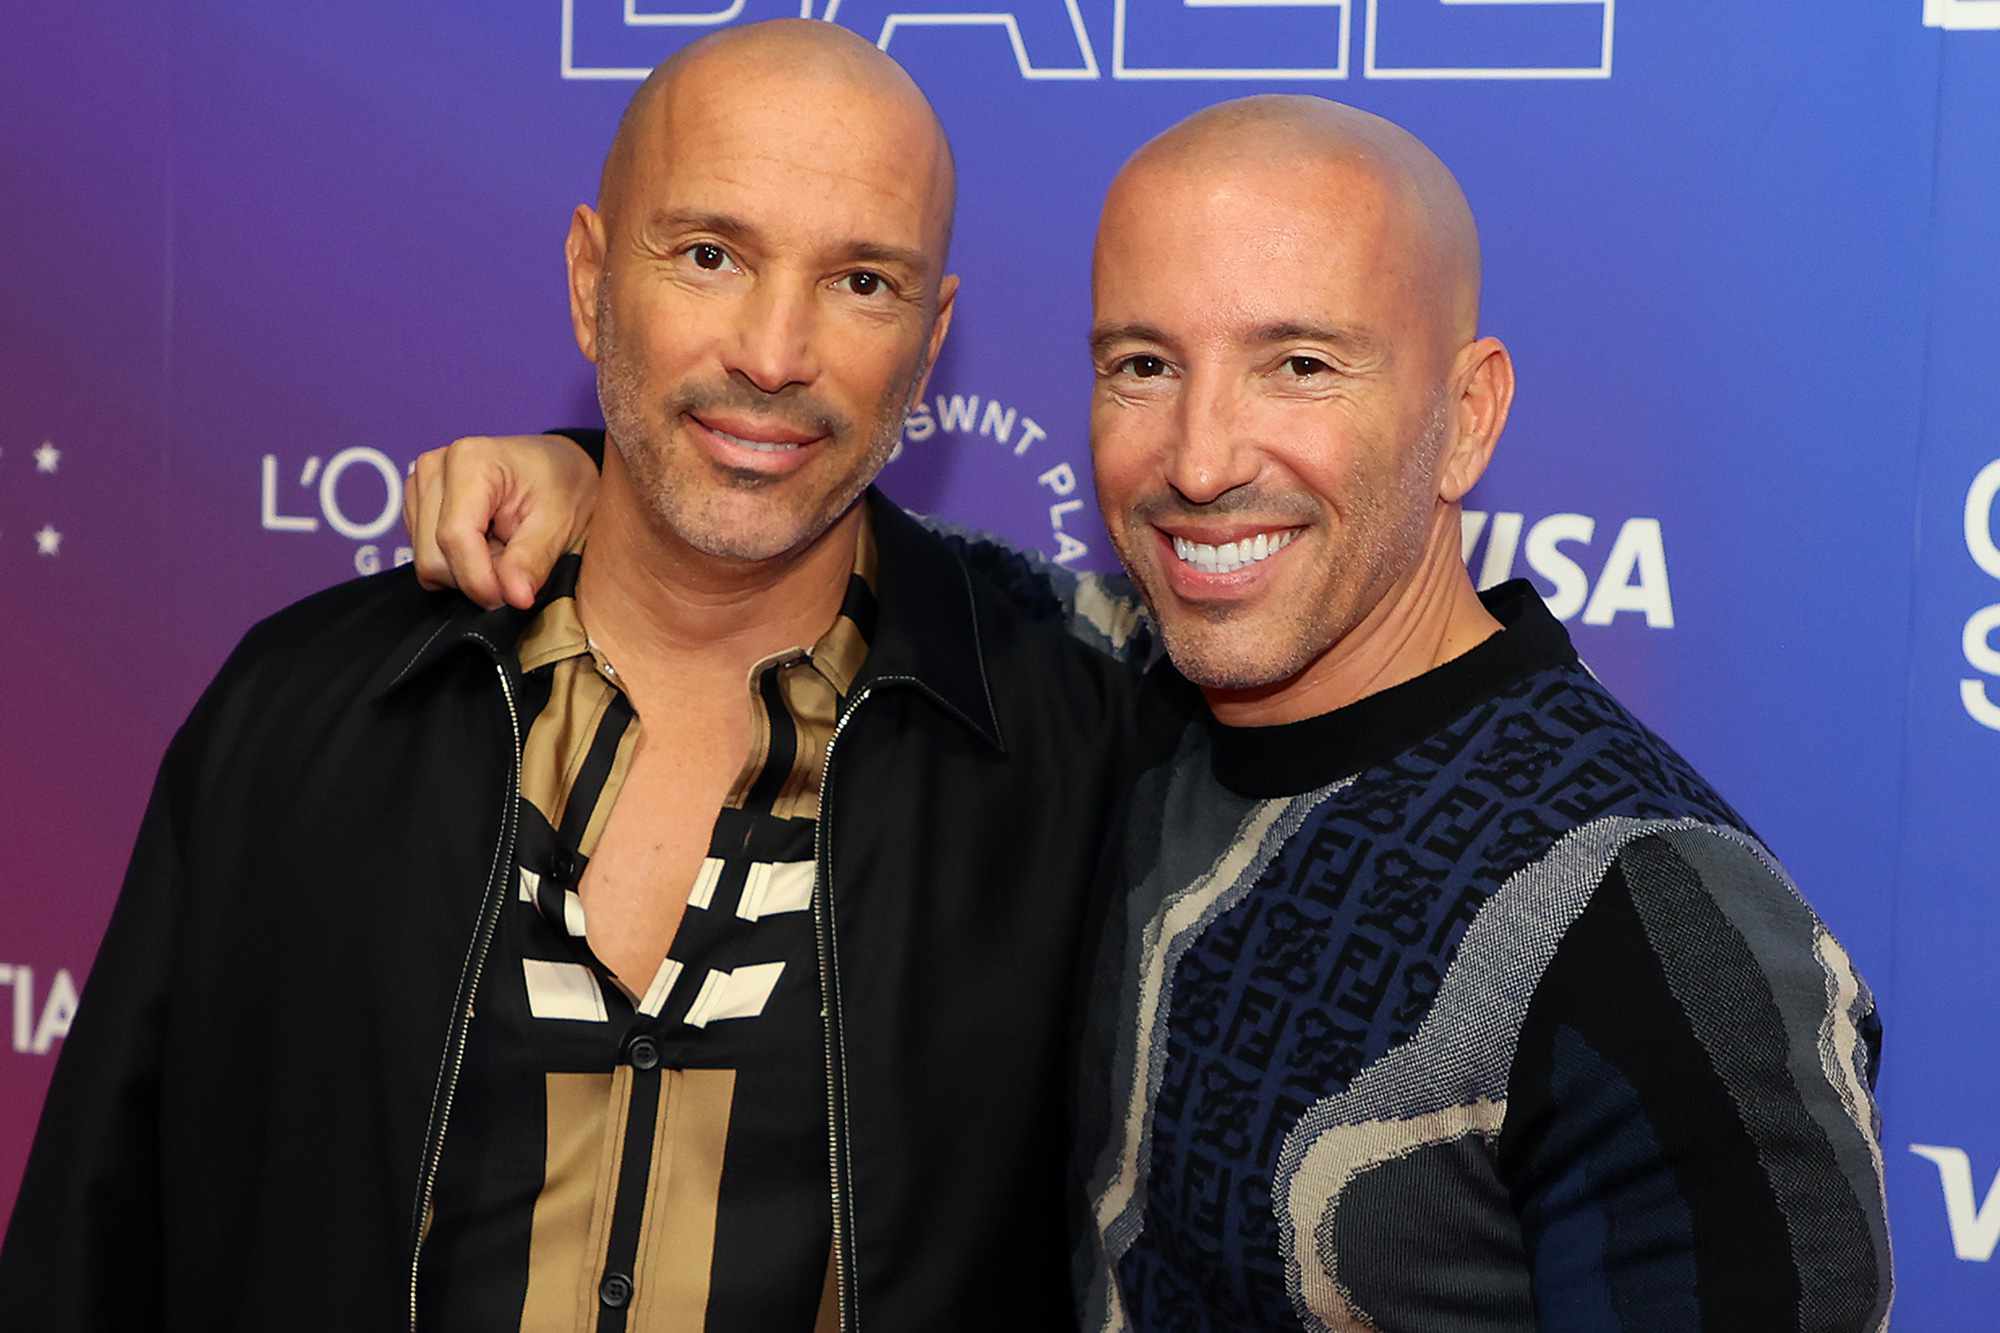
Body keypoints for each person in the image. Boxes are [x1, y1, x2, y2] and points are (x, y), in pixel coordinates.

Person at [413, 98, 1895, 1329]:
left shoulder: (1659, 928)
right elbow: (796, 539)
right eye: (1143, 367)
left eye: (1299, 365)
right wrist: (592, 481)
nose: (1197, 460)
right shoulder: (1117, 702)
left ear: (1468, 416)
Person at [0, 22, 1162, 1332]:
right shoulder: (308, 711)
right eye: (711, 256)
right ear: (591, 281)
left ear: (931, 335)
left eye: (861, 282)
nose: (774, 353)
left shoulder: (1078, 757)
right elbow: (89, 1251)